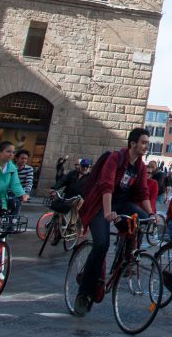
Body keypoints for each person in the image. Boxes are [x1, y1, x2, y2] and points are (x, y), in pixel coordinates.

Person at [73, 128, 154, 317]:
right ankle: (83, 293)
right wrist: (108, 211)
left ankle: (126, 255)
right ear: (132, 144)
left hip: (123, 203)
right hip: (102, 203)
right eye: (143, 143)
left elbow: (142, 192)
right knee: (101, 244)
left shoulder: (140, 166)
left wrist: (151, 213)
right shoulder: (116, 158)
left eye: (147, 143)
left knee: (142, 220)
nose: (146, 146)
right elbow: (106, 184)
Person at [13, 149, 35, 215]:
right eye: (22, 158)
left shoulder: (29, 169)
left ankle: (12, 222)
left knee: (15, 213)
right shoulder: (11, 167)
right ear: (16, 159)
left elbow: (29, 182)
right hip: (8, 191)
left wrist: (26, 193)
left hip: (20, 192)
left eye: (26, 159)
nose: (24, 160)